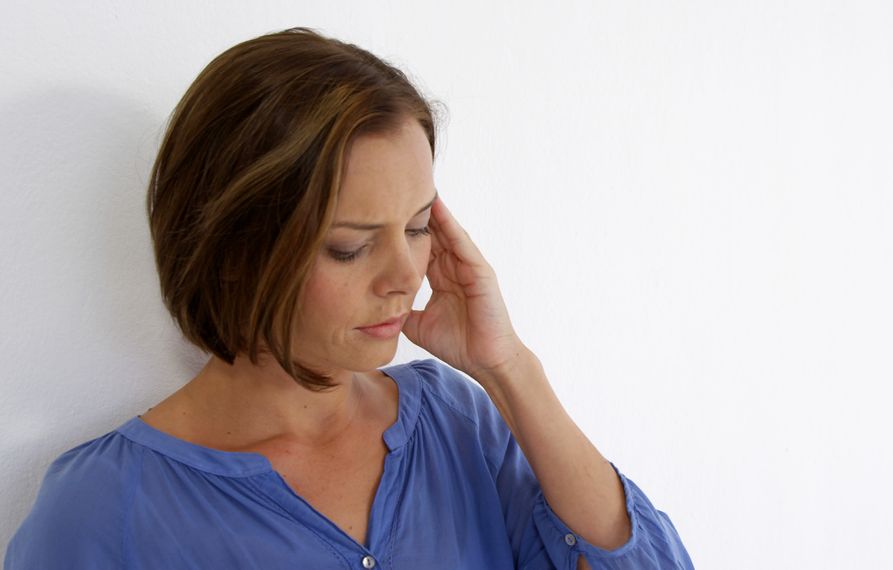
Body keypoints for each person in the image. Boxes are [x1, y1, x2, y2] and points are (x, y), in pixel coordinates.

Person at [2, 27, 694, 570]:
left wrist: (509, 368)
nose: (407, 273)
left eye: (419, 227)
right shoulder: (104, 510)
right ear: (236, 252)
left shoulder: (457, 425)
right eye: (350, 245)